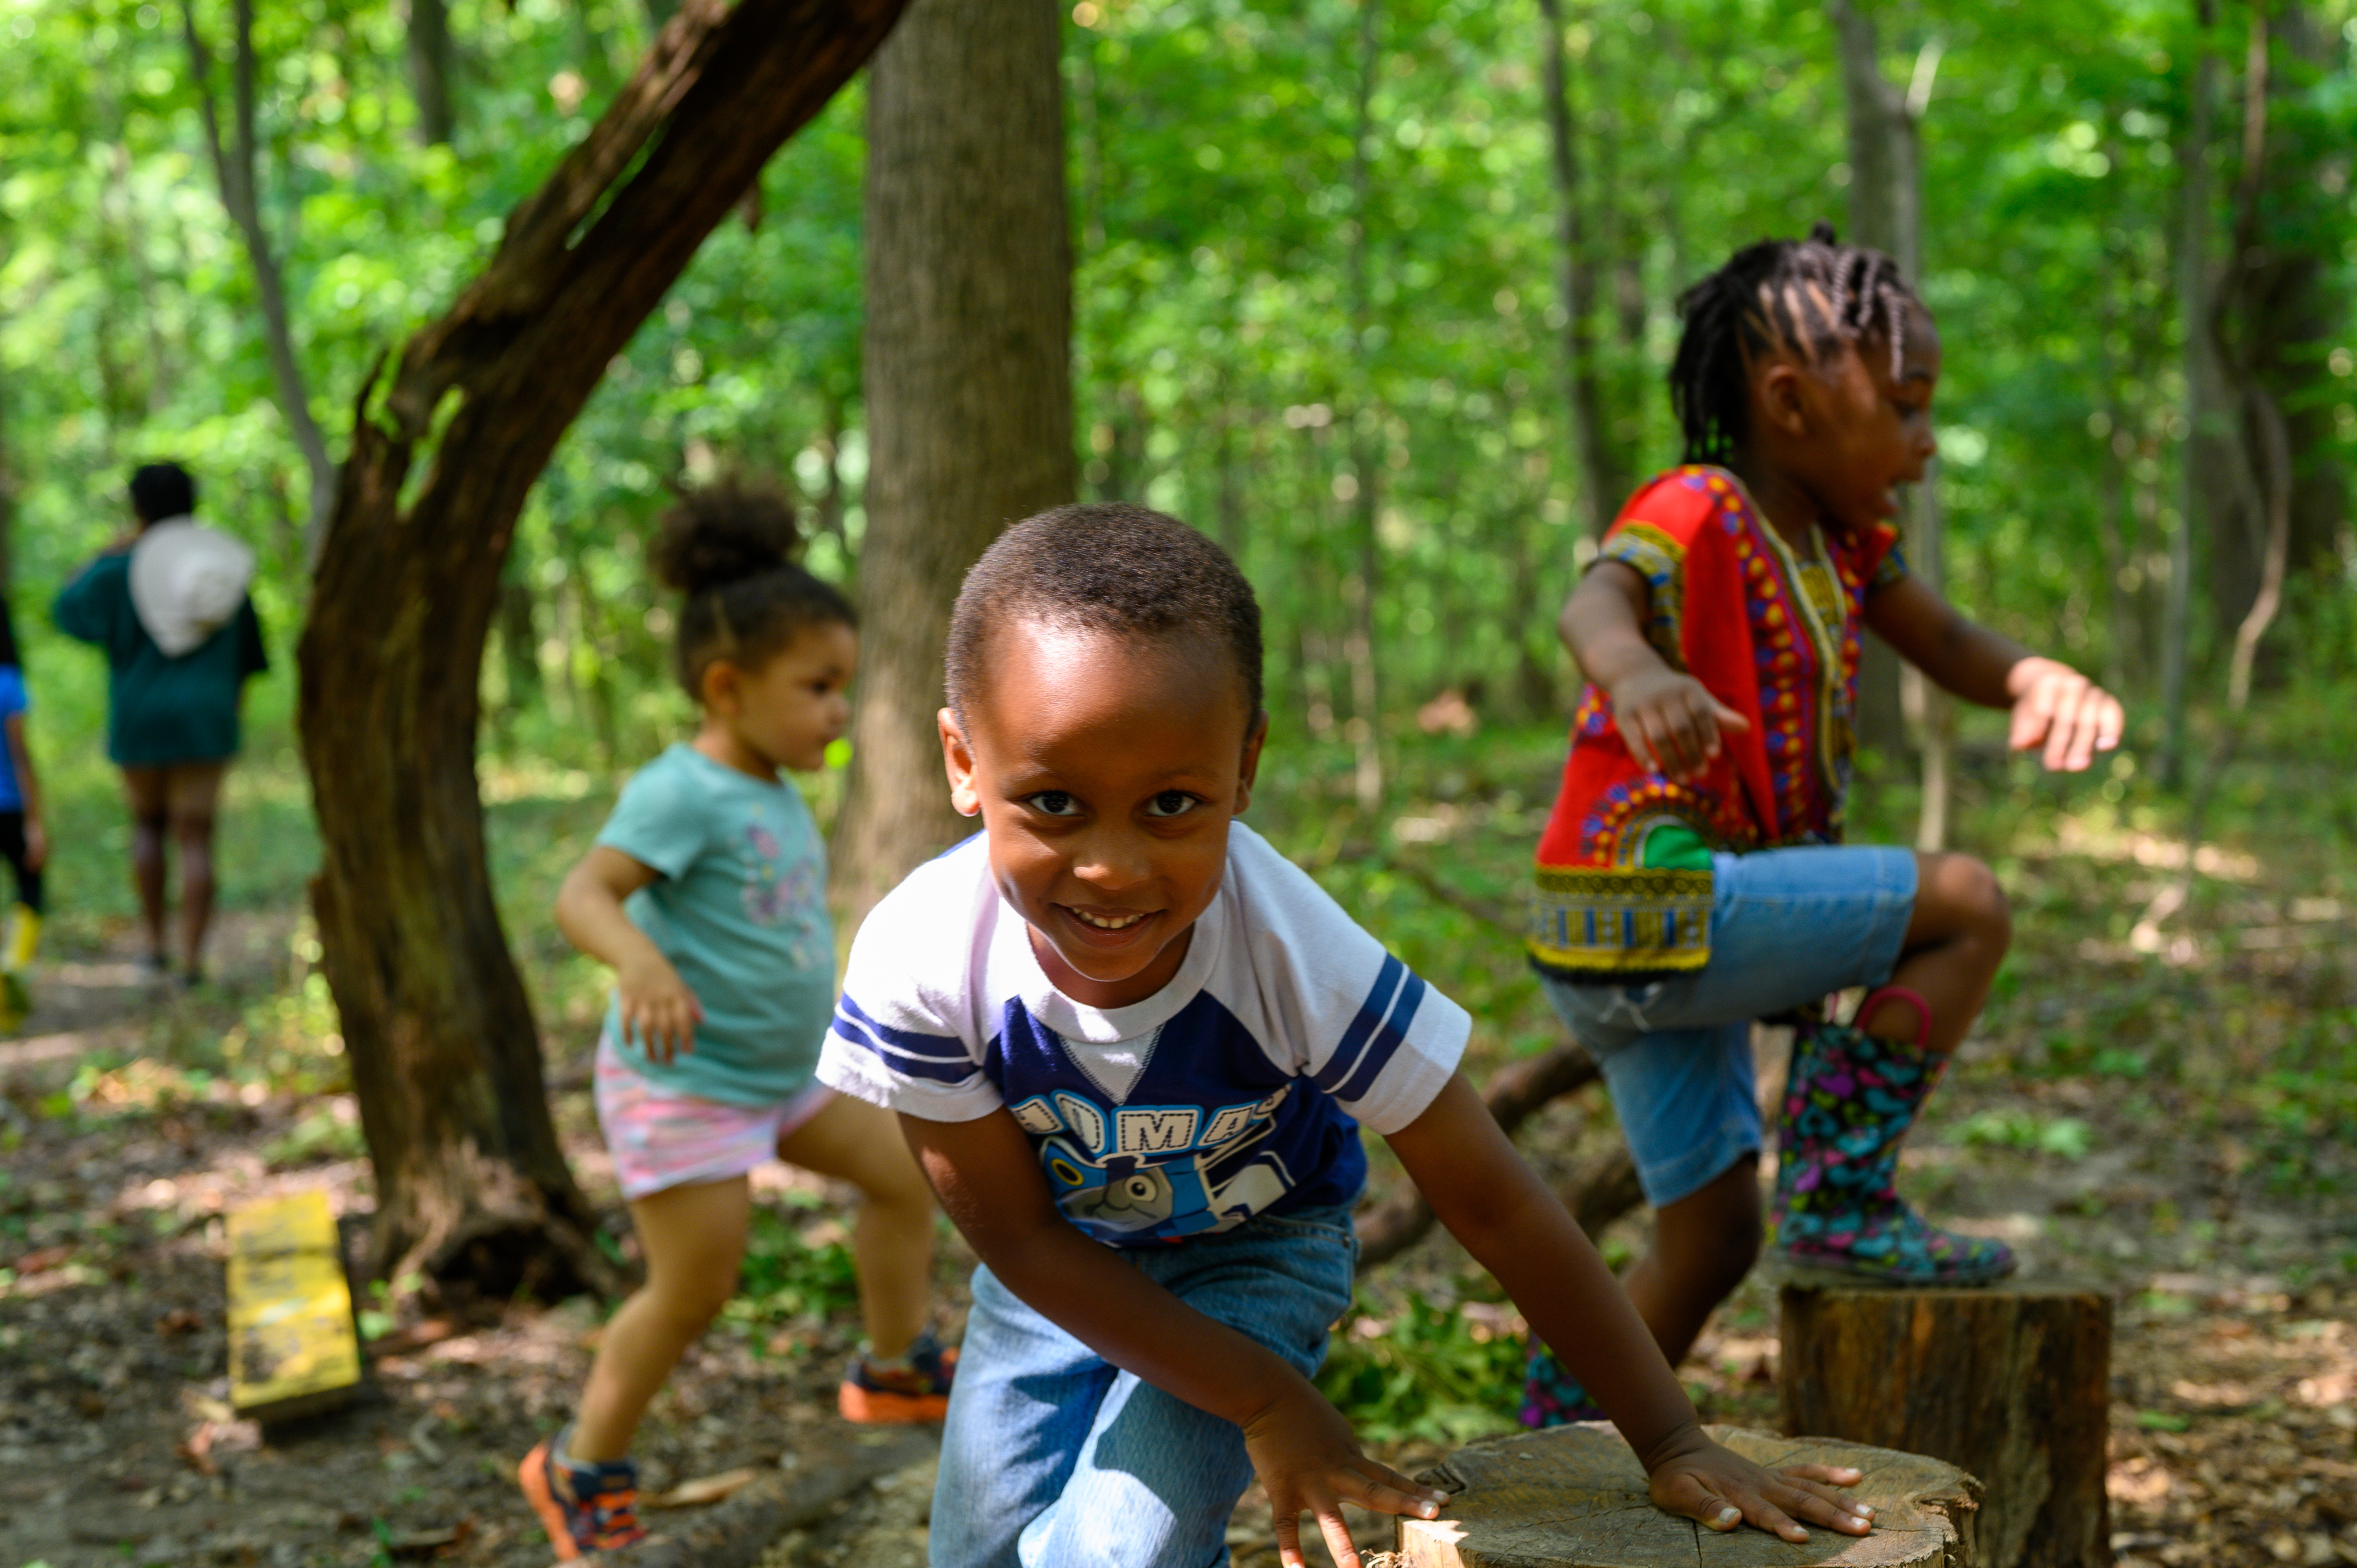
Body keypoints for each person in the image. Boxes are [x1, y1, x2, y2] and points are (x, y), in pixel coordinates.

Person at [817, 503, 1876, 1568]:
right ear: (962, 762)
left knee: (1113, 1555)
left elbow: (1493, 1199)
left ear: (1245, 768)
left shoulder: (1294, 954)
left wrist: (1672, 1436)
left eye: (1173, 804)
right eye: (1053, 801)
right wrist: (1268, 1402)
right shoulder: (923, 960)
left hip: (1258, 1254)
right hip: (1059, 1265)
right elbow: (1023, 1242)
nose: (1114, 867)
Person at [1520, 225, 2124, 1427]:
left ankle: (1557, 1437)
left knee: (1712, 1236)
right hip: (1654, 900)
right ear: (1791, 401)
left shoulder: (1846, 548)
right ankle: (1844, 1197)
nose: (1925, 442)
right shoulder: (1698, 506)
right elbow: (1597, 596)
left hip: (1641, 950)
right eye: (1905, 407)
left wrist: (2034, 678)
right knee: (1964, 904)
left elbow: (1947, 642)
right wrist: (1633, 675)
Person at [517, 483, 954, 1563]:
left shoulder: (767, 787)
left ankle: (893, 1369)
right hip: (686, 1088)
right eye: (818, 688)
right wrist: (642, 963)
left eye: (842, 686)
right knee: (694, 1290)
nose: (838, 710)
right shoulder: (684, 791)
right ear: (728, 686)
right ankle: (579, 1467)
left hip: (782, 1075)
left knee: (907, 1174)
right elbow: (584, 895)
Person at [53, 461, 267, 985]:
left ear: (137, 508)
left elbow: (65, 611)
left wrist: (102, 555)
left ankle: (154, 948)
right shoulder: (223, 571)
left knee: (148, 825)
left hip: (139, 716)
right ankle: (192, 961)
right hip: (208, 718)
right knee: (197, 836)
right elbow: (250, 655)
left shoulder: (120, 570)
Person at [0, 601, 47, 1031]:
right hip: (10, 807)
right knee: (30, 887)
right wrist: (36, 821)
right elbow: (21, 757)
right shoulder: (8, 684)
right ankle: (12, 964)